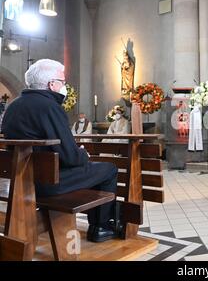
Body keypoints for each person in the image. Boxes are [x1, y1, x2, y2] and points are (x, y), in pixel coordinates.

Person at [1, 59, 121, 243]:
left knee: (94, 170)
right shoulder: (49, 107)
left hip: (20, 180)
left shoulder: (13, 106)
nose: (64, 85)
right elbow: (71, 157)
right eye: (63, 81)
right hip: (47, 183)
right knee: (109, 169)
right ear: (51, 84)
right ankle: (101, 227)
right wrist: (82, 154)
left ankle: (98, 224)